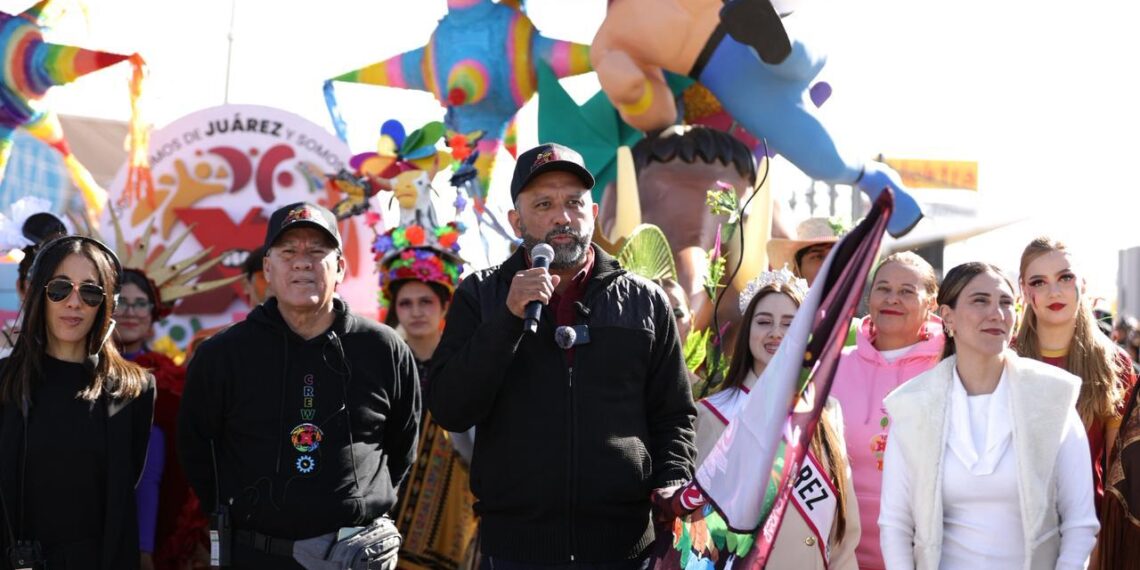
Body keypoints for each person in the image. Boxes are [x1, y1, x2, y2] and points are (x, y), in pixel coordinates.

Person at [429, 143, 697, 567]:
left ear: (591, 211)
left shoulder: (645, 301)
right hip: (516, 550)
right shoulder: (480, 296)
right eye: (544, 204)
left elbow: (674, 415)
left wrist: (671, 482)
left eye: (573, 203)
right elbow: (451, 407)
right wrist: (507, 319)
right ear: (517, 221)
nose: (562, 217)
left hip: (625, 548)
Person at [178, 202, 420, 569]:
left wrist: (359, 505)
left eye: (317, 252)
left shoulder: (384, 349)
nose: (302, 262)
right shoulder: (221, 355)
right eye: (288, 251)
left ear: (340, 267)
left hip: (354, 558)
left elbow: (401, 447)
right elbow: (197, 452)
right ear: (267, 269)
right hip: (256, 555)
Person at [879, 262, 1099, 569]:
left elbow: (1080, 524)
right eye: (980, 300)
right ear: (947, 316)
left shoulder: (1052, 397)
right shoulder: (913, 406)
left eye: (1006, 303)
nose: (996, 313)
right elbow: (895, 524)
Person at [0, 235, 155, 569]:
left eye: (89, 291)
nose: (74, 302)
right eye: (59, 288)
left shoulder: (134, 389)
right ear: (38, 294)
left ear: (106, 303)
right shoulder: (4, 380)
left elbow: (127, 489)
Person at [693, 267, 859, 569]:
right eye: (764, 322)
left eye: (789, 324)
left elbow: (844, 535)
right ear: (748, 333)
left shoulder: (826, 411)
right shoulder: (712, 414)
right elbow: (699, 528)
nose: (775, 333)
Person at [372, 186, 479, 570]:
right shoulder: (379, 368)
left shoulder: (466, 363)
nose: (415, 312)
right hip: (386, 515)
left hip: (455, 514)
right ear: (394, 308)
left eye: (425, 302)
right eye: (406, 303)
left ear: (444, 304)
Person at [829, 251, 944, 570]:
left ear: (931, 303)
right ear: (869, 296)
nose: (893, 299)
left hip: (921, 554)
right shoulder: (833, 366)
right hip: (841, 550)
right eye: (883, 288)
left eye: (907, 291)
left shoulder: (949, 369)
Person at [1014, 237, 1137, 517]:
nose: (1054, 291)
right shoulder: (1004, 360)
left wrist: (1099, 551)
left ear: (1083, 283)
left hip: (1086, 531)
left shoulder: (1113, 364)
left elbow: (1119, 477)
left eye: (1065, 277)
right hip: (1010, 533)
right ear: (1023, 289)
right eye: (1038, 282)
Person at [767, 217, 846, 286]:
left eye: (836, 255)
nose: (829, 263)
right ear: (797, 270)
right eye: (818, 256)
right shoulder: (785, 302)